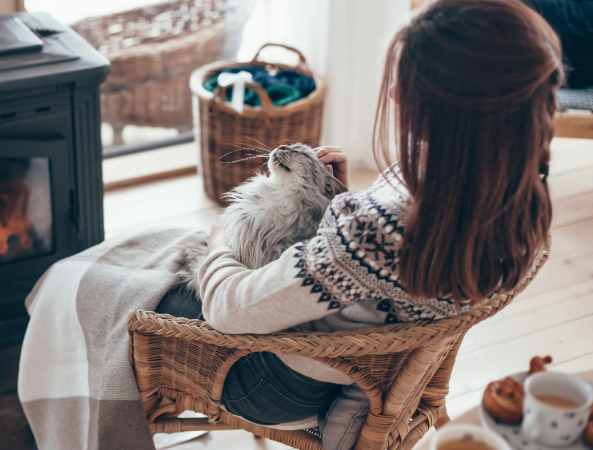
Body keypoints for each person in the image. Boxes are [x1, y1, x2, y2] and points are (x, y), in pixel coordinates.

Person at [156, 0, 560, 429]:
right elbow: (382, 279)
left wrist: (219, 241)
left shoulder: (378, 231)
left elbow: (225, 308)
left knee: (132, 291)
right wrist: (342, 205)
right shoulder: (521, 196)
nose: (392, 94)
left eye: (405, 84)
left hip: (277, 385)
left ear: (445, 108)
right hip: (372, 374)